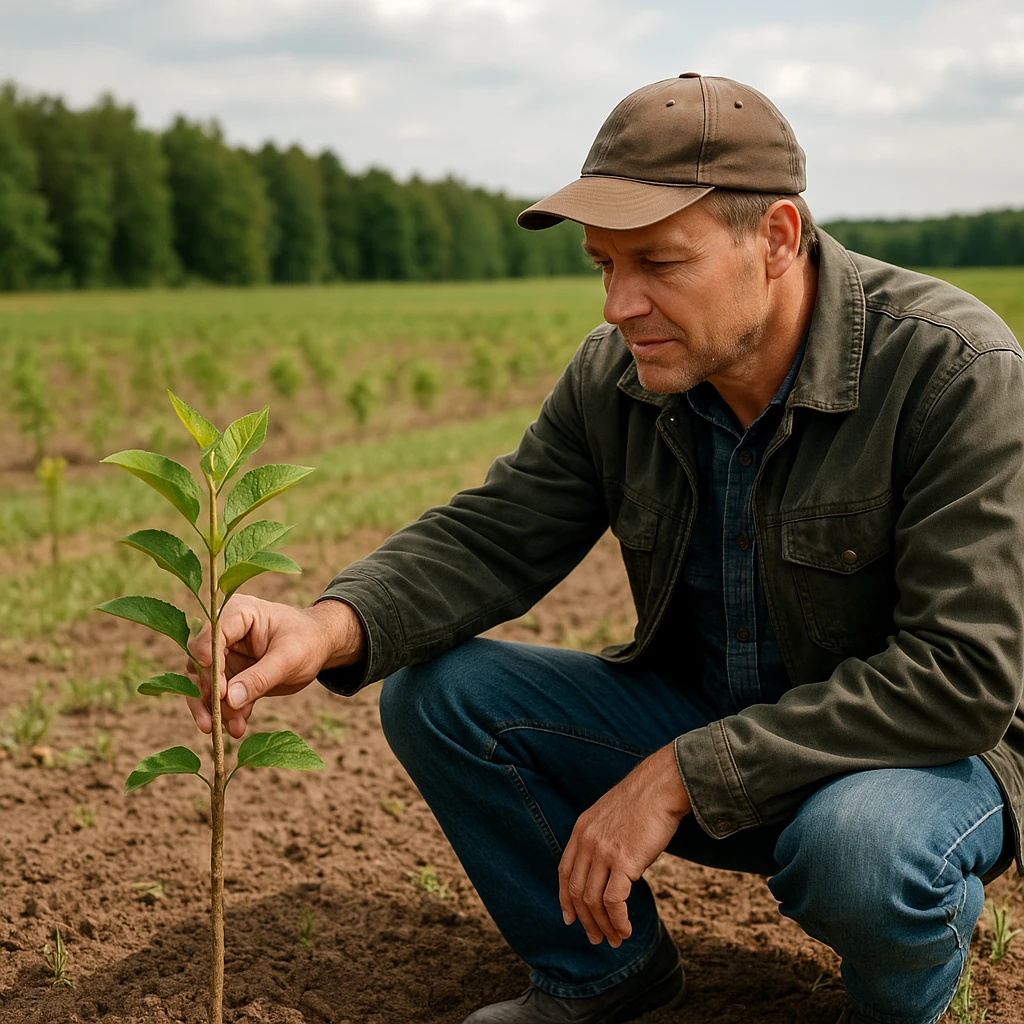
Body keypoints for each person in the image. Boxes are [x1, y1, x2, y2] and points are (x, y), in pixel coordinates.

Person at [186, 74, 1024, 1024]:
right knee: (446, 697)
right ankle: (604, 977)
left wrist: (680, 774)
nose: (622, 303)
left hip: (917, 763)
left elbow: (961, 675)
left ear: (779, 239)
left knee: (863, 852)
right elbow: (498, 532)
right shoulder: (618, 376)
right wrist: (327, 625)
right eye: (604, 264)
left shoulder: (953, 369)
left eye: (661, 262)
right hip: (715, 711)